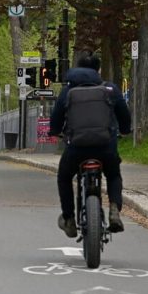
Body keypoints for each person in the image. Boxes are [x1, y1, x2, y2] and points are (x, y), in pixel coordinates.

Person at [49, 52, 131, 238]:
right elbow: (124, 115)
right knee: (113, 174)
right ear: (98, 70)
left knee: (64, 176)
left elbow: (56, 117)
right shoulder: (110, 89)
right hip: (105, 146)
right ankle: (114, 209)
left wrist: (55, 131)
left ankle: (69, 218)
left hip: (76, 148)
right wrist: (125, 130)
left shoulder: (68, 91)